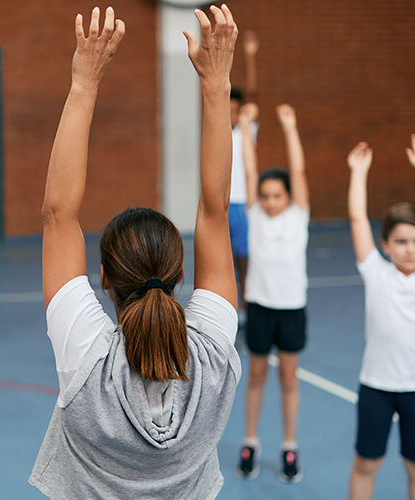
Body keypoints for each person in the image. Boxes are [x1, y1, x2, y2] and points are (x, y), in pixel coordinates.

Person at [30, 6, 241, 498]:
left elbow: (58, 214)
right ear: (181, 273)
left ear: (104, 277)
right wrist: (216, 86)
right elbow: (216, 213)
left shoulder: (88, 362)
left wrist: (84, 83)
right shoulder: (211, 359)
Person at [346, 132, 415, 500]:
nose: (410, 249)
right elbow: (357, 218)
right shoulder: (376, 271)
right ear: (386, 245)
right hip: (376, 387)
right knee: (366, 464)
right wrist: (358, 172)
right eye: (401, 242)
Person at [234, 103, 309, 483]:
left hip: (291, 308)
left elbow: (298, 170)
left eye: (276, 195)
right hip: (261, 307)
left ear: (289, 197)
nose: (269, 201)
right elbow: (250, 169)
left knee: (289, 379)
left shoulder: (299, 215)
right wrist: (247, 128)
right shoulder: (255, 215)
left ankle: (289, 445)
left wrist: (289, 126)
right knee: (257, 375)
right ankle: (250, 441)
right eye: (264, 195)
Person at [228, 30, 258, 318]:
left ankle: (247, 309)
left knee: (245, 261)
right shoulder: (217, 134)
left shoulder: (248, 131)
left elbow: (252, 95)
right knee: (224, 263)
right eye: (228, 110)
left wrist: (249, 56)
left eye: (236, 110)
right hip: (223, 205)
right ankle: (230, 310)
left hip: (243, 205)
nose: (232, 115)